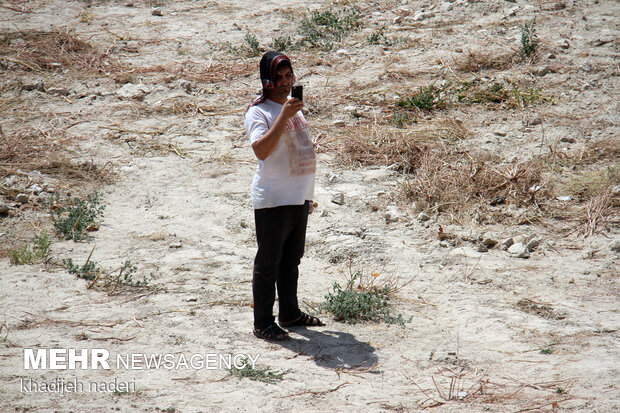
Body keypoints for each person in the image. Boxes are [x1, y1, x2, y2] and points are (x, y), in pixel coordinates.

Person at [245, 51, 324, 341]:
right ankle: (262, 323)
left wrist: (308, 196)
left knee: (291, 260)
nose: (284, 82)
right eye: (278, 77)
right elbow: (261, 150)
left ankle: (289, 312)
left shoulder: (294, 109)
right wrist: (284, 116)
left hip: (297, 198)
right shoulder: (259, 111)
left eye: (288, 75)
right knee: (268, 264)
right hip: (273, 200)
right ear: (267, 80)